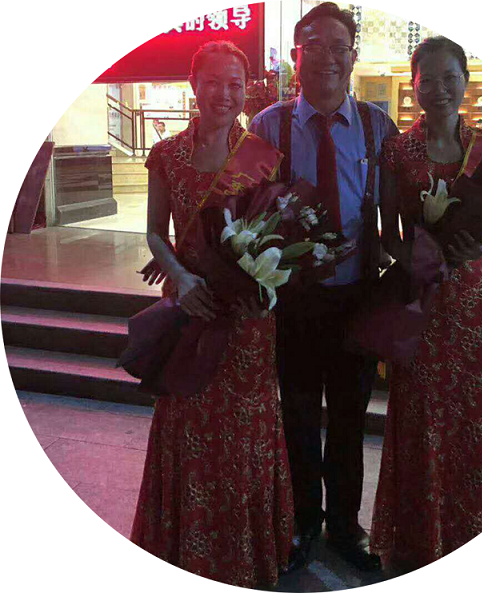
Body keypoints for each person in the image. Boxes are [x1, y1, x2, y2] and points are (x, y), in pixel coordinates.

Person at [130, 41, 295, 588]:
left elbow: (274, 237)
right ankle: (186, 550)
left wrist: (259, 286)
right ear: (193, 84)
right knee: (189, 427)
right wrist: (179, 278)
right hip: (191, 311)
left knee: (245, 434)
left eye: (235, 84)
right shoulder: (166, 156)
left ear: (246, 90)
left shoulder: (263, 156)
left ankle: (244, 556)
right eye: (213, 82)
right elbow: (156, 232)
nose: (224, 94)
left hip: (246, 325)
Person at [249, 2, 398, 572]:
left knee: (350, 419)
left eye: (340, 47)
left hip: (357, 296)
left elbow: (393, 216)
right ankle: (302, 523)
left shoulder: (378, 128)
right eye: (315, 46)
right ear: (296, 55)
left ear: (353, 57)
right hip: (295, 302)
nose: (328, 58)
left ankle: (344, 526)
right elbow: (248, 215)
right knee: (299, 415)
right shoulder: (268, 127)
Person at [370, 36, 482, 572]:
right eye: (426, 79)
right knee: (421, 412)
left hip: (476, 299)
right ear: (414, 86)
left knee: (475, 412)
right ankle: (418, 538)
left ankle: (472, 531)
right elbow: (388, 233)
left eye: (449, 77)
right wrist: (415, 257)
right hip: (422, 300)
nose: (438, 88)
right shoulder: (397, 151)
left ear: (465, 82)